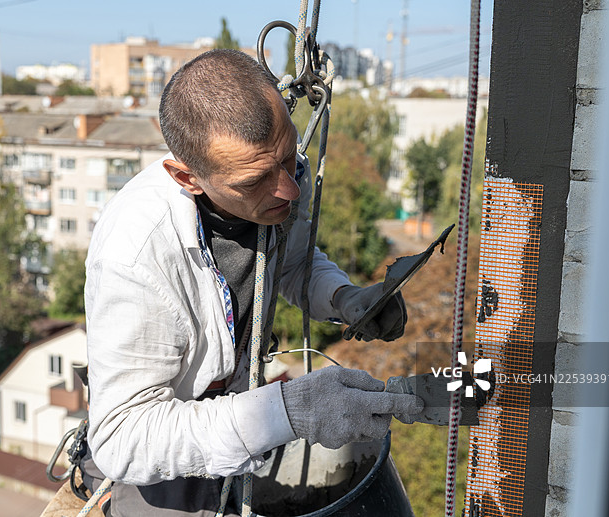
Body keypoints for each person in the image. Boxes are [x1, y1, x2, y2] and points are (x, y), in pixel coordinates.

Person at [82, 49, 422, 516]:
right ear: (188, 177)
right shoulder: (136, 254)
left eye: (288, 159)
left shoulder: (269, 175)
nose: (290, 189)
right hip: (160, 459)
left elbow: (291, 261)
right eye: (257, 179)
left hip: (234, 419)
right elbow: (124, 436)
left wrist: (344, 298)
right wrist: (287, 411)